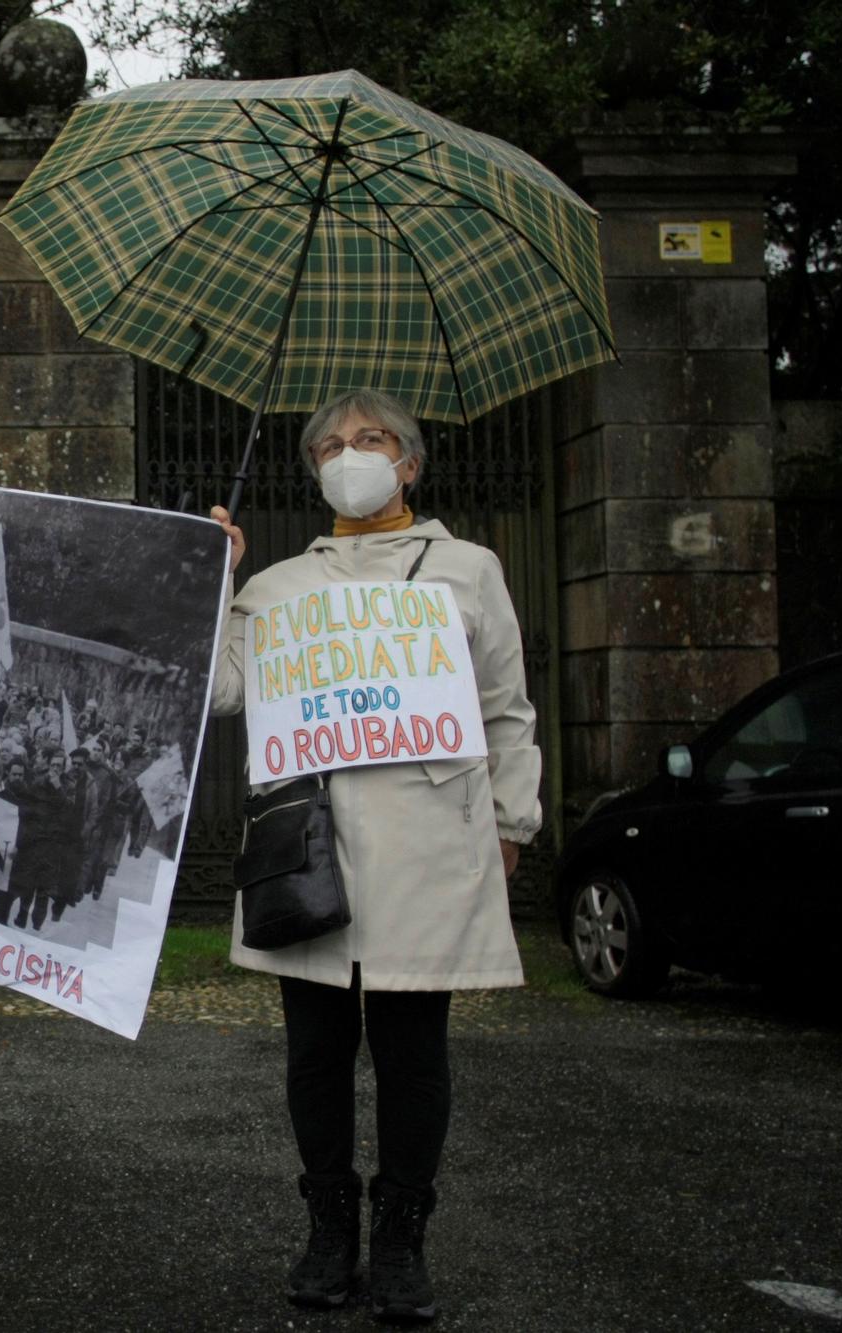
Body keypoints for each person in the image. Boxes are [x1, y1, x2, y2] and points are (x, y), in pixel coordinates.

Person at [207, 388, 539, 1323]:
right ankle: (327, 1228)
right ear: (312, 471)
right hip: (311, 844)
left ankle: (401, 1240)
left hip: (428, 843)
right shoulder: (276, 584)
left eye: (372, 439)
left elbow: (507, 706)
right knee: (314, 1049)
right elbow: (223, 690)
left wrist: (514, 823)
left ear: (409, 462)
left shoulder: (467, 569)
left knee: (411, 1051)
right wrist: (212, 577)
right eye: (332, 446)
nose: (350, 455)